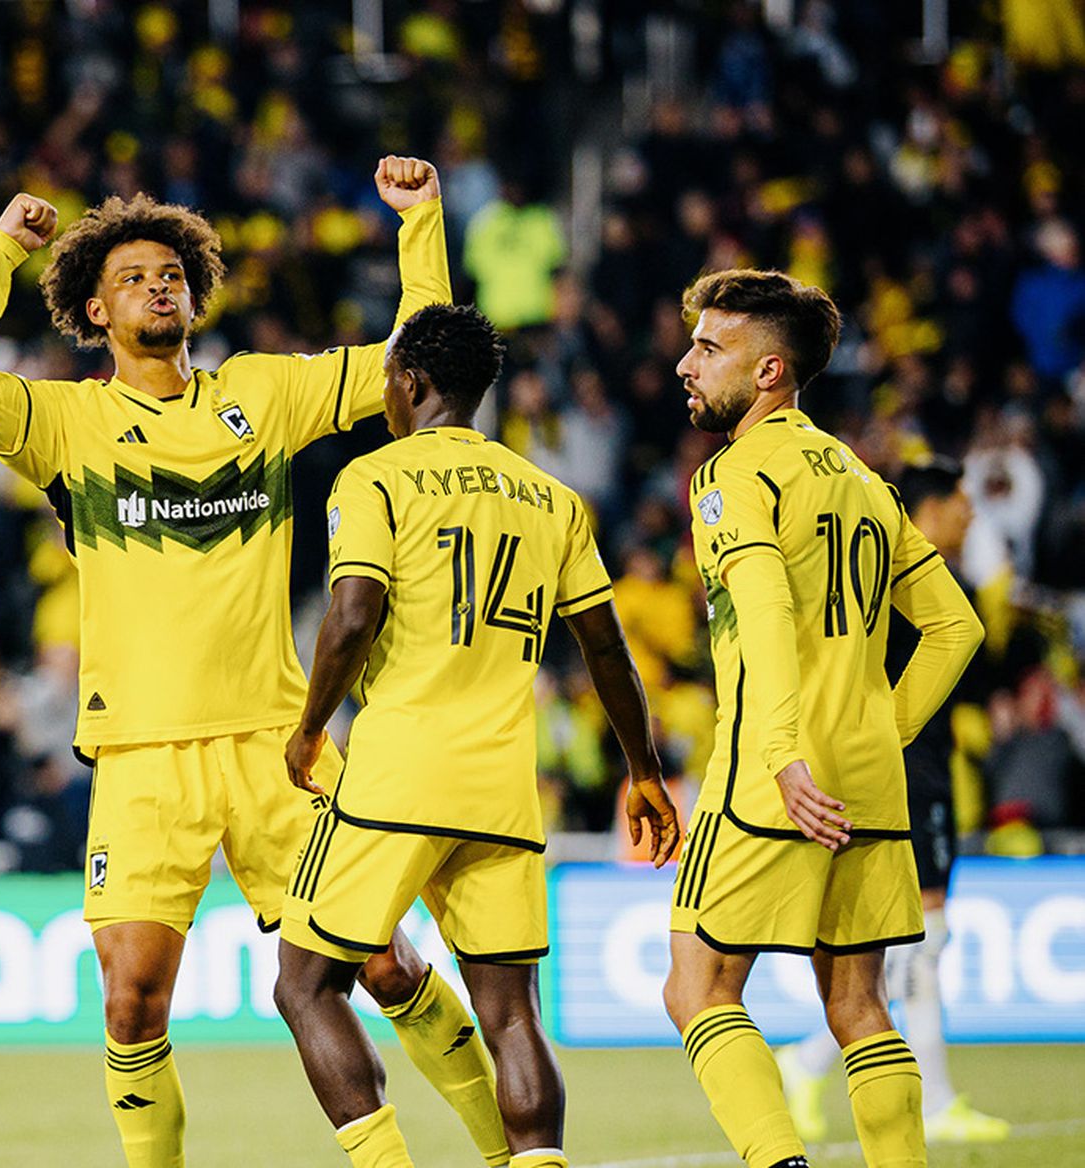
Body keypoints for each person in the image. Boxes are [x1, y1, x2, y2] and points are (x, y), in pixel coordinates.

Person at [0, 158, 513, 1168]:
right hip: (143, 757)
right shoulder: (68, 423)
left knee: (383, 962)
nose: (158, 285)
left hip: (276, 745)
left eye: (171, 273)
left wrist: (420, 224)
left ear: (195, 293)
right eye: (134, 277)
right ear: (95, 310)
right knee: (131, 999)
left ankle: (514, 1153)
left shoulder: (262, 394)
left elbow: (413, 361)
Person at [275, 303, 680, 1168]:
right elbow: (605, 646)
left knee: (306, 984)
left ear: (410, 382)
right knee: (512, 1017)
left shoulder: (375, 479)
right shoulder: (552, 498)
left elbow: (350, 617)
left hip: (397, 776)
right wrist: (643, 769)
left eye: (390, 379)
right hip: (502, 785)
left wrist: (311, 729)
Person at [659, 271, 983, 1168]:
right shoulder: (864, 480)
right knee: (857, 1007)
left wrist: (782, 752)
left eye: (709, 348)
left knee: (697, 988)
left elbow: (762, 609)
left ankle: (781, 1164)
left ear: (769, 372)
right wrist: (884, 729)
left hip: (774, 775)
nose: (686, 363)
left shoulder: (733, 474)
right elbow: (958, 626)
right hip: (868, 781)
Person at [776, 457, 1010, 1144]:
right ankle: (876, 1082)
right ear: (930, 510)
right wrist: (895, 739)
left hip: (914, 763)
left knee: (917, 943)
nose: (970, 514)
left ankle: (843, 1071)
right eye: (960, 501)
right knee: (923, 940)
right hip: (907, 768)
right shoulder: (908, 576)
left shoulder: (884, 569)